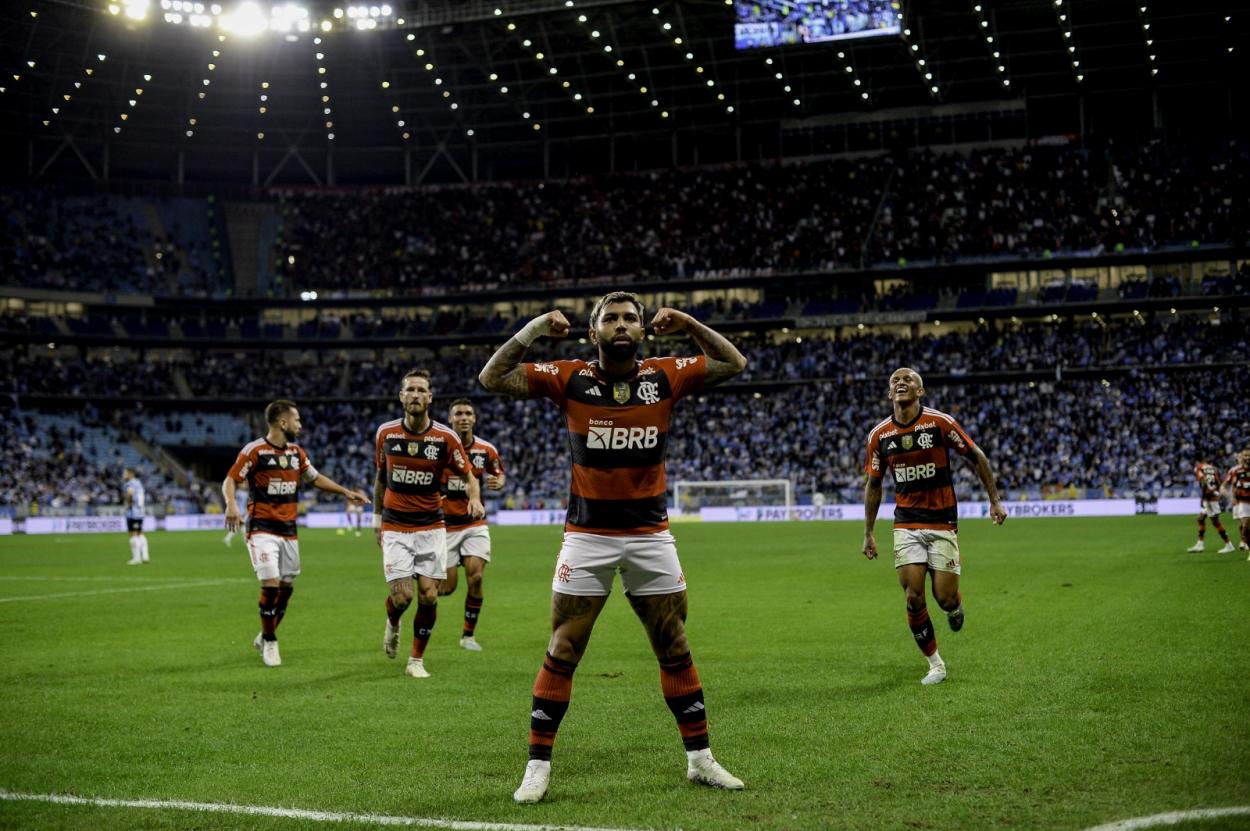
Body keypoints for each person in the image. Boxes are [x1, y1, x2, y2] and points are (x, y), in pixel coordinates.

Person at [478, 291, 748, 804]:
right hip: (587, 537)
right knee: (563, 648)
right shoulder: (569, 377)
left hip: (651, 536)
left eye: (630, 319)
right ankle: (537, 767)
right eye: (610, 318)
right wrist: (535, 326)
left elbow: (734, 362)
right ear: (593, 330)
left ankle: (700, 760)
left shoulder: (666, 375)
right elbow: (491, 379)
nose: (621, 325)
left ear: (643, 331)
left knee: (674, 645)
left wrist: (688, 321)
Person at [862, 367, 1006, 686]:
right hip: (907, 524)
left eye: (908, 380)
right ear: (889, 394)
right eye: (895, 381)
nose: (901, 383)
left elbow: (976, 455)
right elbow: (874, 484)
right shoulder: (879, 436)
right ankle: (936, 664)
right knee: (913, 596)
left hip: (942, 522)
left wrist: (994, 500)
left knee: (944, 598)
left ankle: (955, 608)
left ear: (920, 391)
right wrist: (869, 532)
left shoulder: (940, 423)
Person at [223, 400, 368, 668]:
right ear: (282, 423)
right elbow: (231, 479)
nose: (300, 425)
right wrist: (231, 505)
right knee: (270, 584)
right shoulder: (254, 451)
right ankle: (270, 641)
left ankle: (265, 634)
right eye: (297, 420)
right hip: (261, 529)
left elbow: (315, 478)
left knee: (286, 588)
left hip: (289, 530)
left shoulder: (297, 453)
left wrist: (345, 491)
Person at [374, 370, 484, 679]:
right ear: (402, 396)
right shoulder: (386, 433)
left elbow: (469, 476)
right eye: (410, 390)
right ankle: (393, 622)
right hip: (395, 526)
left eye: (422, 390)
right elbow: (381, 478)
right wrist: (375, 519)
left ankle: (416, 660)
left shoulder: (445, 438)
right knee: (402, 597)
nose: (416, 395)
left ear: (430, 397)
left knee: (429, 595)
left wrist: (475, 497)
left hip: (432, 527)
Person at [437, 397, 506, 652]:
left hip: (474, 523)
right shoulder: (439, 449)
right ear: (450, 419)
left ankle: (468, 636)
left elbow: (498, 473)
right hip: (444, 526)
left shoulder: (486, 450)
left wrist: (499, 482)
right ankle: (419, 576)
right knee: (447, 587)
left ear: (474, 419)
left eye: (468, 413)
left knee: (475, 576)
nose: (464, 417)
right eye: (459, 414)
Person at [1187, 459, 1234, 553]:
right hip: (1210, 496)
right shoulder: (1212, 468)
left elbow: (1203, 480)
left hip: (1210, 497)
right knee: (1200, 518)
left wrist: (1208, 493)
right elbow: (1218, 481)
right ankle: (1200, 544)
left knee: (1215, 522)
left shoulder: (1198, 468)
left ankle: (1229, 545)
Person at [1223, 449, 1250, 556]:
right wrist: (1230, 496)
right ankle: (1245, 542)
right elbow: (1224, 486)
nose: (1247, 457)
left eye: (1249, 455)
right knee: (1245, 527)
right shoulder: (1235, 470)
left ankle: (1244, 542)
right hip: (1242, 502)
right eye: (1245, 455)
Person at [122, 468, 149, 565]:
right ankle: (145, 556)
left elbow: (130, 493)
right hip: (140, 511)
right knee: (140, 533)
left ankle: (136, 558)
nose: (123, 475)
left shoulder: (130, 483)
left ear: (130, 474)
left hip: (133, 512)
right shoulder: (139, 483)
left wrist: (128, 505)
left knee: (133, 534)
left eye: (125, 473)